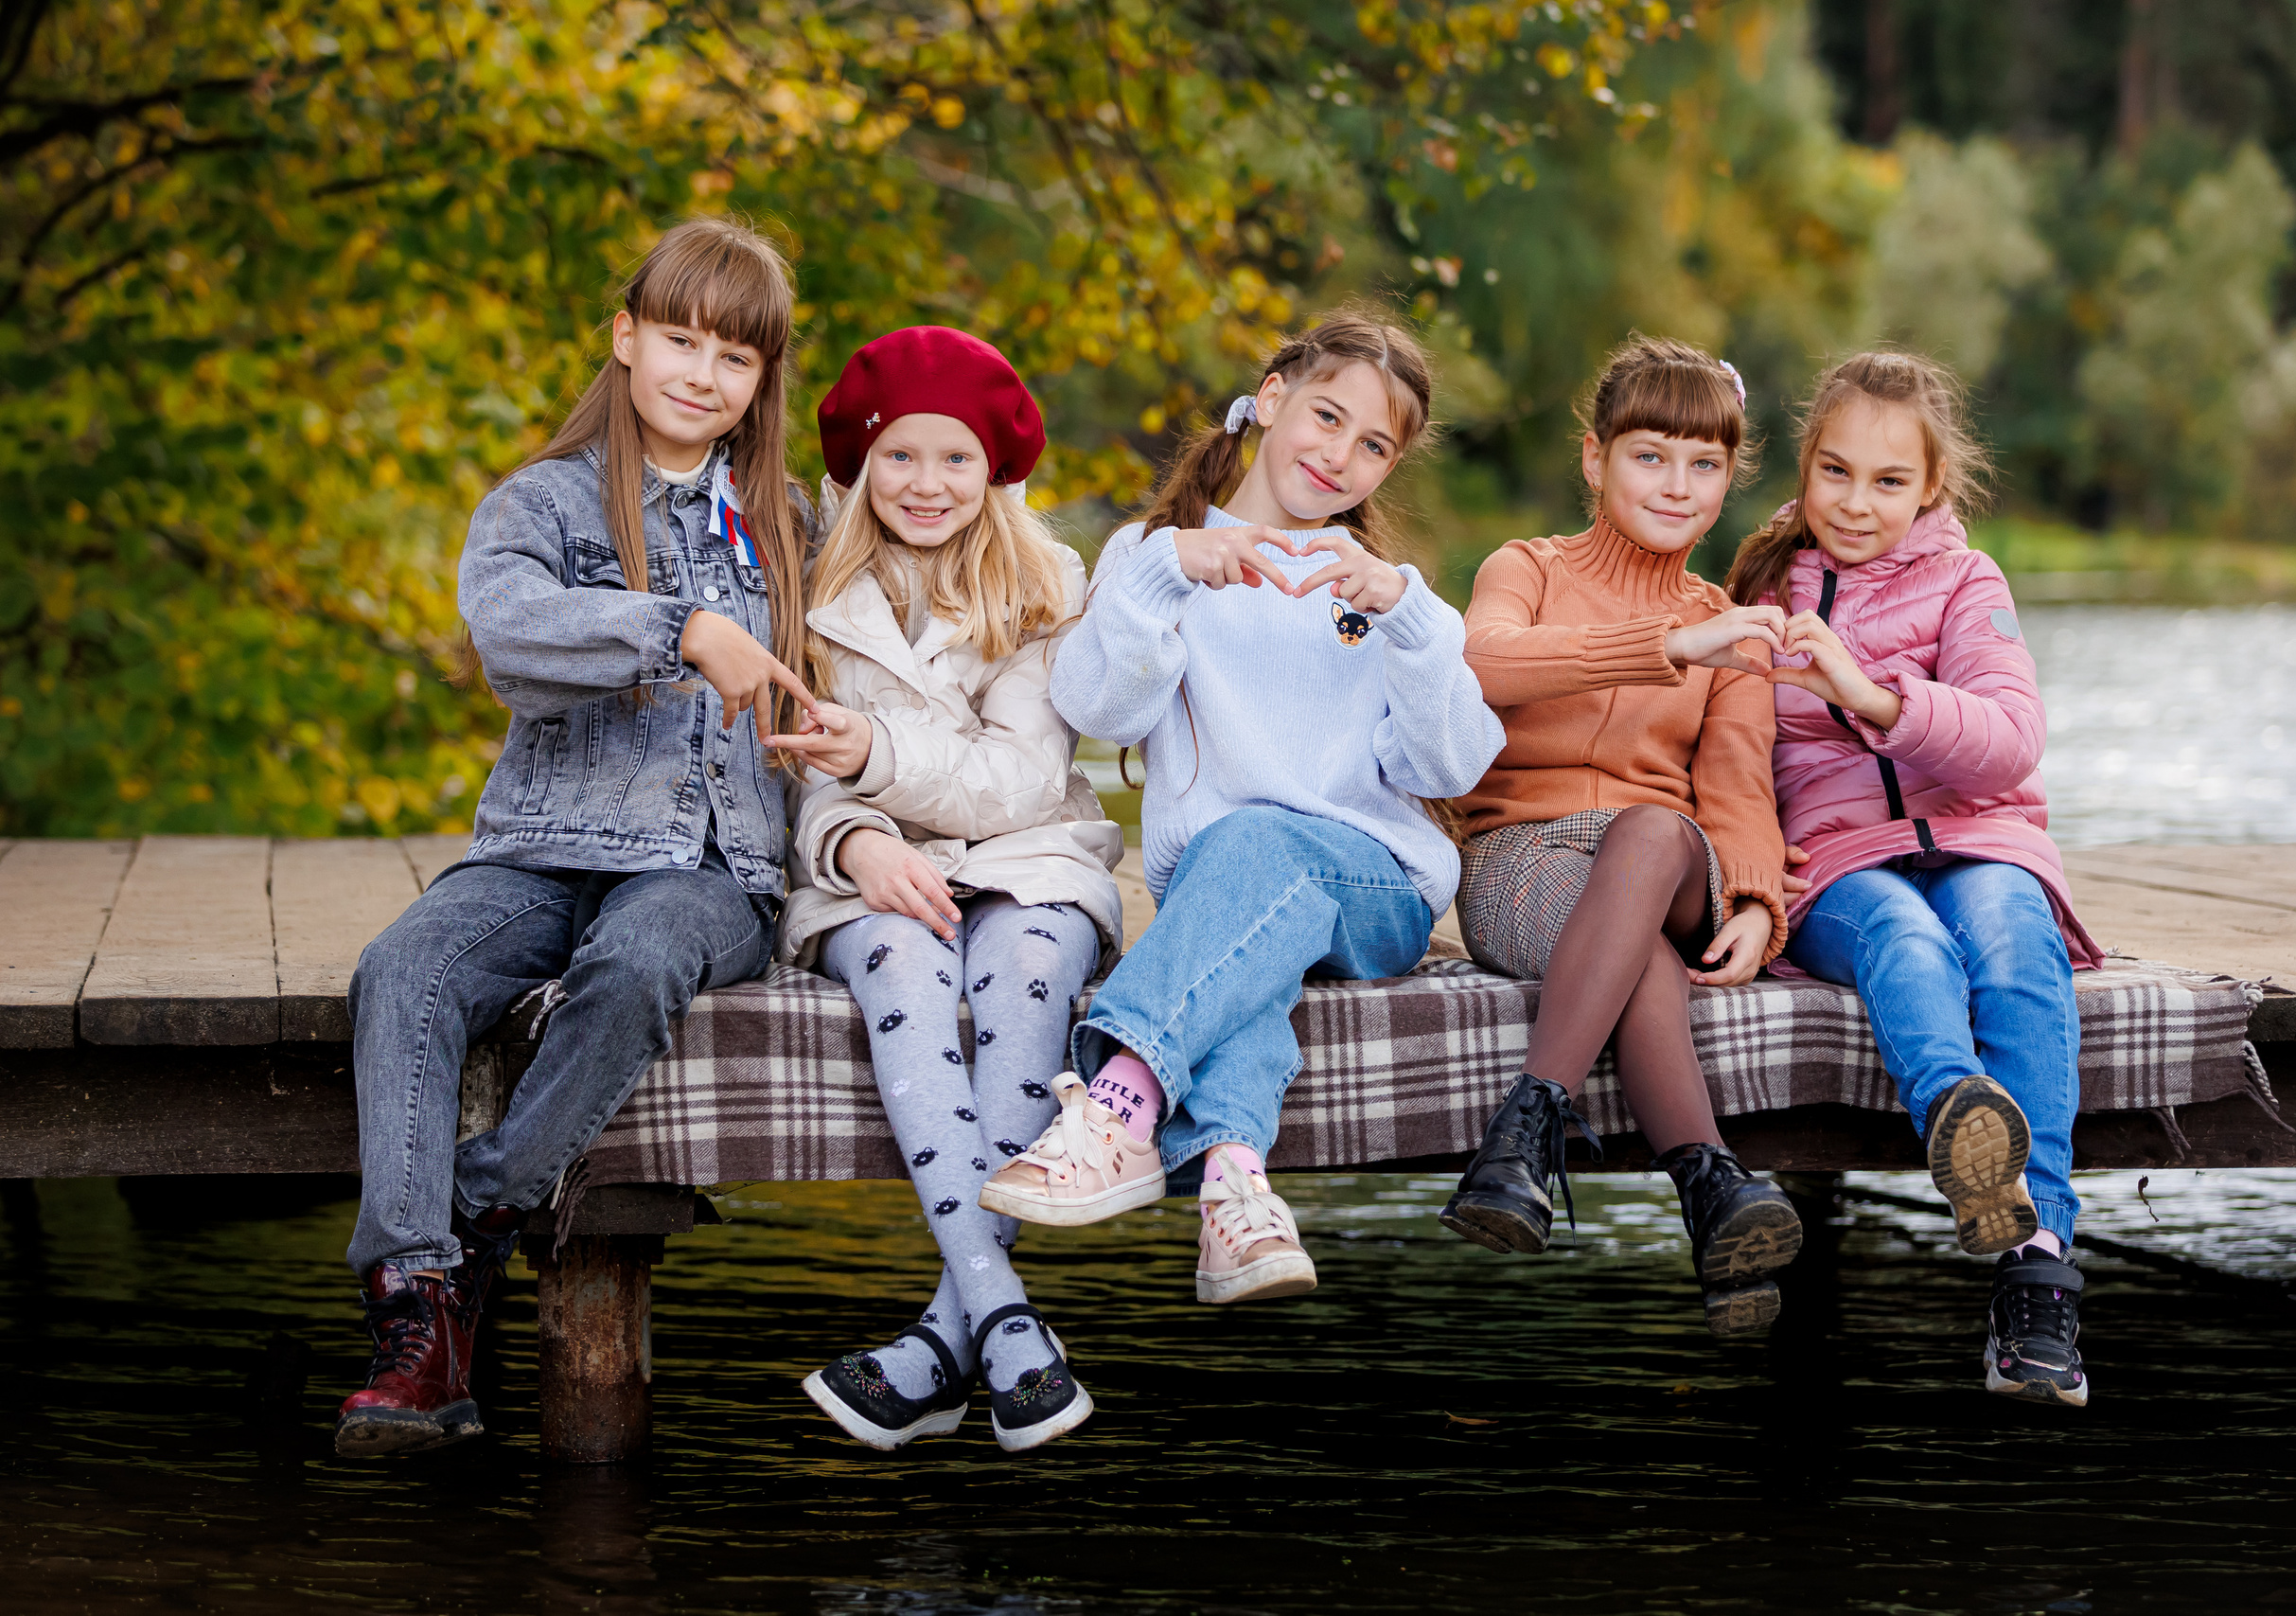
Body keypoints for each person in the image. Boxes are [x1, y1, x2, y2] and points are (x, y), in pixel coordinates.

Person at [336, 218, 818, 1456]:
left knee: (639, 956)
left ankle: (480, 1208)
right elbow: (512, 635)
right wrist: (678, 630)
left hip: (712, 865)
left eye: (735, 357)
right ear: (625, 339)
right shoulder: (538, 503)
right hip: (545, 841)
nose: (702, 374)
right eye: (680, 339)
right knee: (407, 966)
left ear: (762, 382)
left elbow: (922, 584)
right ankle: (414, 1314)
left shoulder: (790, 525)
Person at [980, 311, 1503, 1305]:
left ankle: (1118, 1103)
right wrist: (1173, 571)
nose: (1338, 455)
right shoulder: (1154, 556)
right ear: (1271, 400)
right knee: (1246, 931)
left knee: (1257, 844)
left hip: (1371, 889)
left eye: (1373, 445)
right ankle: (1235, 1190)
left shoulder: (1383, 594)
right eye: (1325, 416)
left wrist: (1408, 615)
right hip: (1230, 894)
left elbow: (1448, 767)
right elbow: (1097, 706)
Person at [1727, 349, 2102, 1407]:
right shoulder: (1762, 590)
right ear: (1804, 469)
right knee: (1908, 941)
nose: (1855, 503)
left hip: (1981, 837)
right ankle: (1964, 1135)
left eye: (1888, 482)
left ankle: (2037, 1272)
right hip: (1842, 865)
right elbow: (1730, 764)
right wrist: (1757, 888)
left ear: (1931, 487)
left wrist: (1873, 694)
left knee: (2012, 946)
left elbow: (2010, 741)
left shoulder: (1967, 581)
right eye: (1834, 473)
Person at [771, 327, 1121, 1452]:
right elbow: (780, 761)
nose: (928, 485)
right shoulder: (807, 580)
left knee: (1024, 979)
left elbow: (1020, 780)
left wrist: (871, 752)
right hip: (867, 859)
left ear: (998, 470)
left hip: (1027, 858)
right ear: (859, 467)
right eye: (901, 458)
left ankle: (946, 1337)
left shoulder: (1044, 581)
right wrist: (851, 838)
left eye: (956, 459)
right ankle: (1009, 1332)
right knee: (904, 972)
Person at [1439, 335, 1803, 1337]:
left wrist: (1759, 901)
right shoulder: (1525, 569)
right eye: (1650, 455)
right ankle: (1712, 1188)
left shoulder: (1726, 623)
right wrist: (1660, 646)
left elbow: (1735, 788)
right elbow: (1483, 661)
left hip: (1667, 856)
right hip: (1522, 860)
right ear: (1594, 459)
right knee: (1632, 949)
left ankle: (1524, 1132)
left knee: (1648, 834)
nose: (1677, 485)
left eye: (1704, 465)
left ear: (1729, 477)